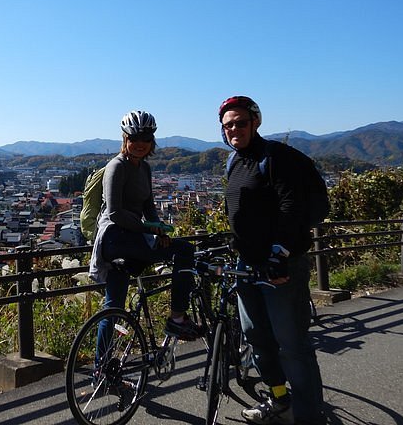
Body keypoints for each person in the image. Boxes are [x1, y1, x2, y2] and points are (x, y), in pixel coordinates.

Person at [219, 96, 326, 425]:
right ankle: (279, 401)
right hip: (246, 265)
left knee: (292, 345)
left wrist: (279, 254)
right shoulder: (234, 162)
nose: (233, 129)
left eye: (239, 122)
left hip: (280, 266)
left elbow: (290, 206)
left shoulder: (276, 158)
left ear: (255, 122)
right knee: (258, 340)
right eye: (227, 125)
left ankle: (309, 417)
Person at [88, 110, 199, 347]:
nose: (140, 144)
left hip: (130, 239)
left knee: (114, 308)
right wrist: (149, 230)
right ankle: (177, 317)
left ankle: (103, 373)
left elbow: (149, 207)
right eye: (134, 138)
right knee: (185, 251)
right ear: (125, 139)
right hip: (115, 237)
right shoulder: (116, 166)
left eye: (146, 139)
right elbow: (115, 213)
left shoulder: (144, 168)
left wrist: (159, 230)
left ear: (152, 142)